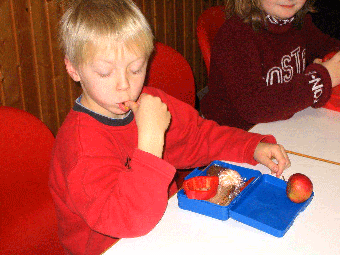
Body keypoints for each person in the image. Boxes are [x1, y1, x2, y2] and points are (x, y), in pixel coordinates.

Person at [49, 0, 291, 254]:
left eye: (135, 69)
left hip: (163, 227)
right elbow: (129, 220)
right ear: (73, 68)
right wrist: (151, 137)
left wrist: (250, 146)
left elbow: (197, 137)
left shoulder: (149, 101)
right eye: (104, 73)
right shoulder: (80, 147)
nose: (124, 85)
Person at [200, 0, 340, 130]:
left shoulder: (298, 22)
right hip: (238, 132)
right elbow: (254, 107)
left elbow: (327, 46)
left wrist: (331, 62)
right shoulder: (234, 35)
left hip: (281, 121)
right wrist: (322, 78)